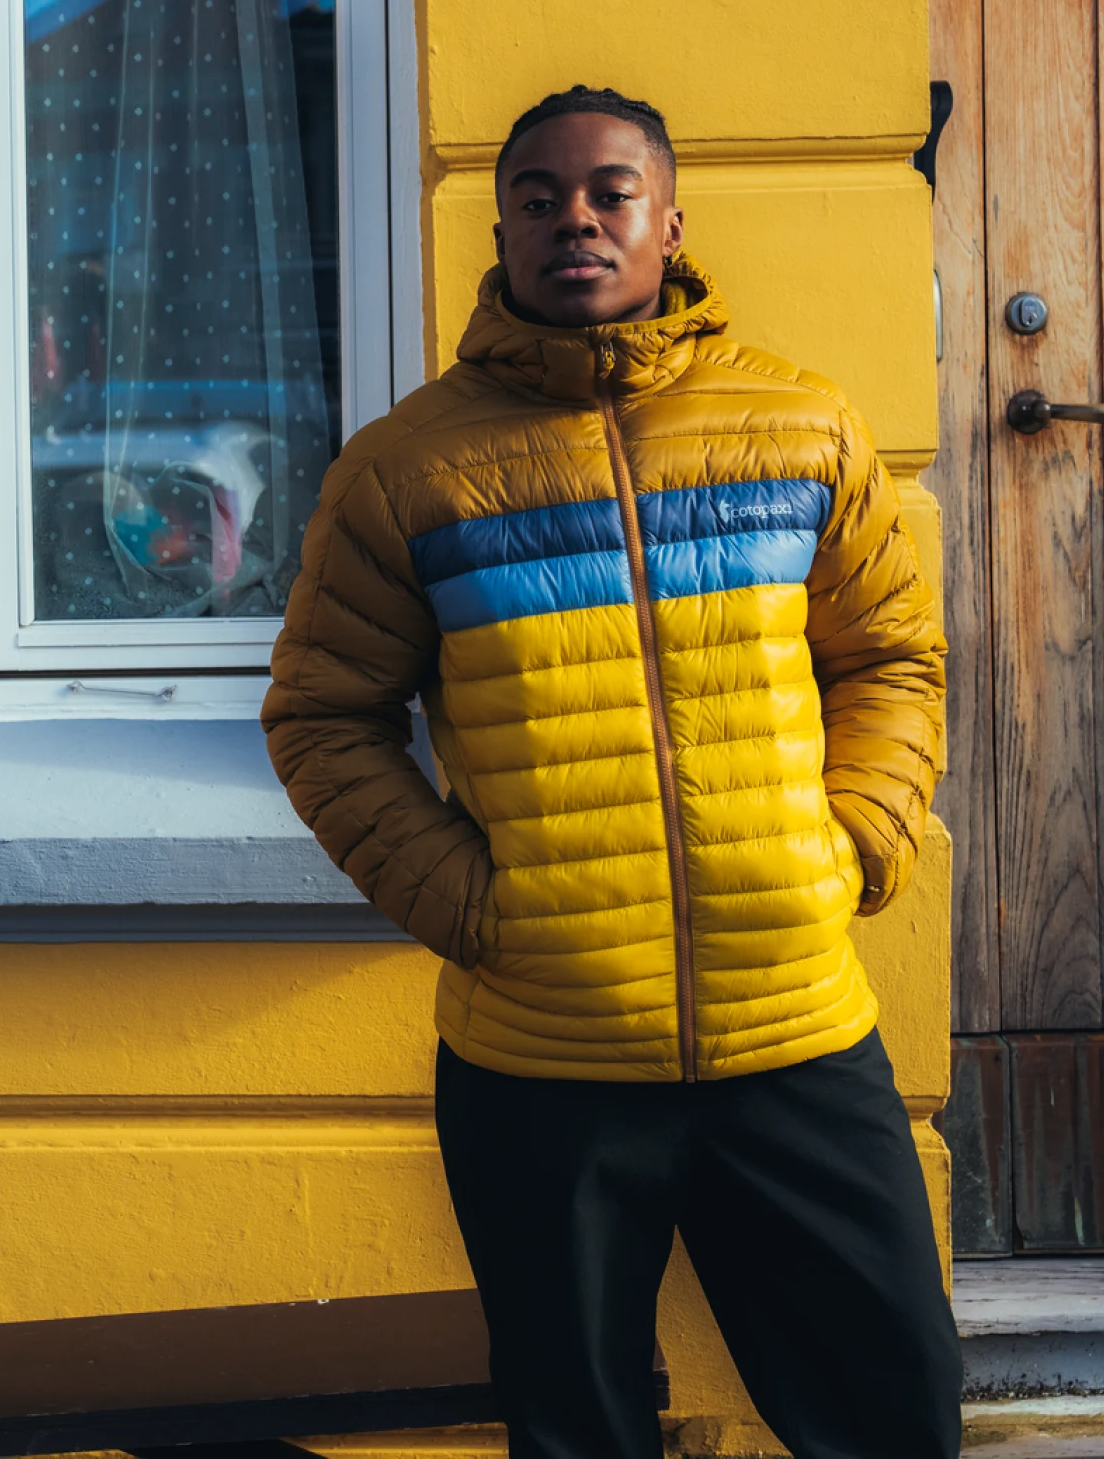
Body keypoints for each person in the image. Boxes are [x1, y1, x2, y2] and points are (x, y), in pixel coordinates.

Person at [262, 84, 961, 1459]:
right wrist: (479, 909)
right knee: (577, 1428)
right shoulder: (408, 473)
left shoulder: (801, 428)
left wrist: (853, 846)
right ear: (503, 233)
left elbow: (890, 659)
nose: (572, 219)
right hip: (542, 1058)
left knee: (896, 1410)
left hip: (793, 1032)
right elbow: (323, 717)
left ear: (669, 224)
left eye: (608, 193)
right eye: (538, 198)